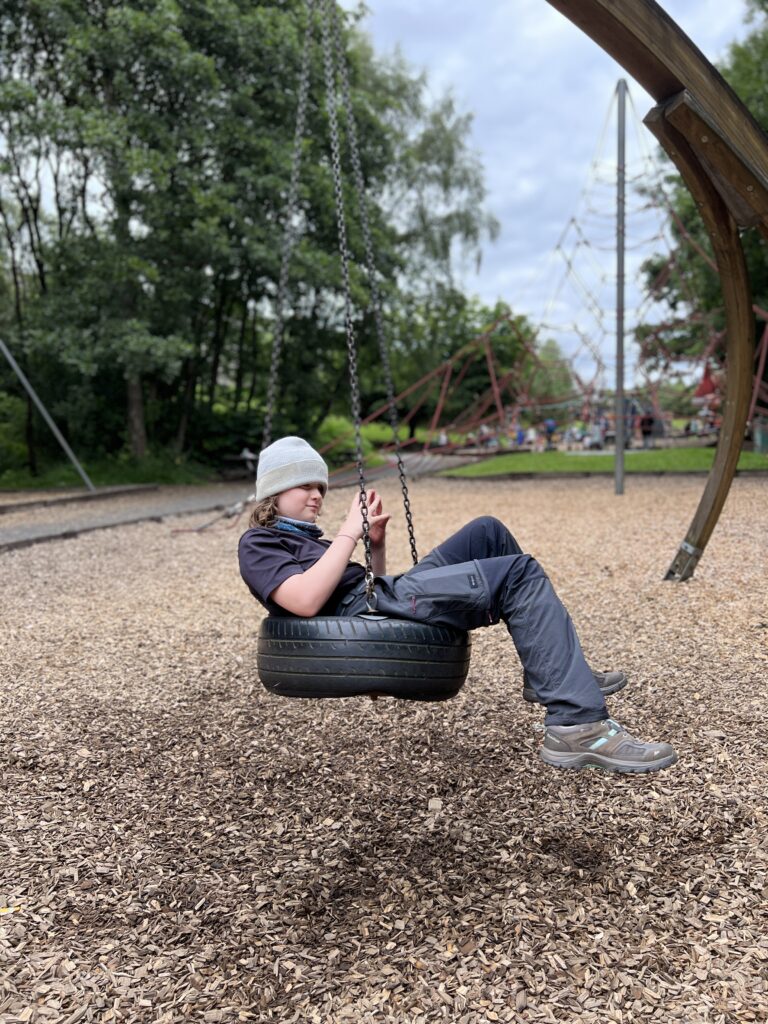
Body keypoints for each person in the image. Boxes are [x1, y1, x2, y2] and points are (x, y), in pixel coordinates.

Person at [239, 437, 677, 775]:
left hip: (379, 596)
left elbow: (365, 586)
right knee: (517, 572)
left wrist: (375, 543)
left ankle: (555, 672)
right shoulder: (259, 542)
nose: (316, 494)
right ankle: (578, 725)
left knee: (488, 532)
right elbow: (304, 599)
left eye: (320, 485)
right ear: (273, 492)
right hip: (370, 605)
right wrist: (349, 534)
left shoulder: (311, 540)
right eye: (303, 485)